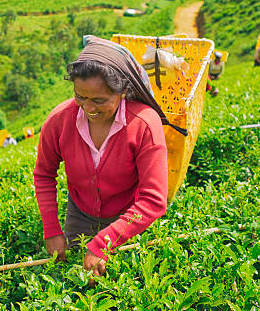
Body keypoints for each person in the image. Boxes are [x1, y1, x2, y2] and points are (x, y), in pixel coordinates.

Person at [34, 35, 177, 283]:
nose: (88, 108)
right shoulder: (60, 120)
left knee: (126, 284)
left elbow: (153, 200)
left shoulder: (144, 124)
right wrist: (52, 230)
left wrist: (104, 242)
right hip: (81, 212)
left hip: (131, 217)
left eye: (99, 100)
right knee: (78, 282)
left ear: (122, 91)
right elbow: (44, 174)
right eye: (80, 97)